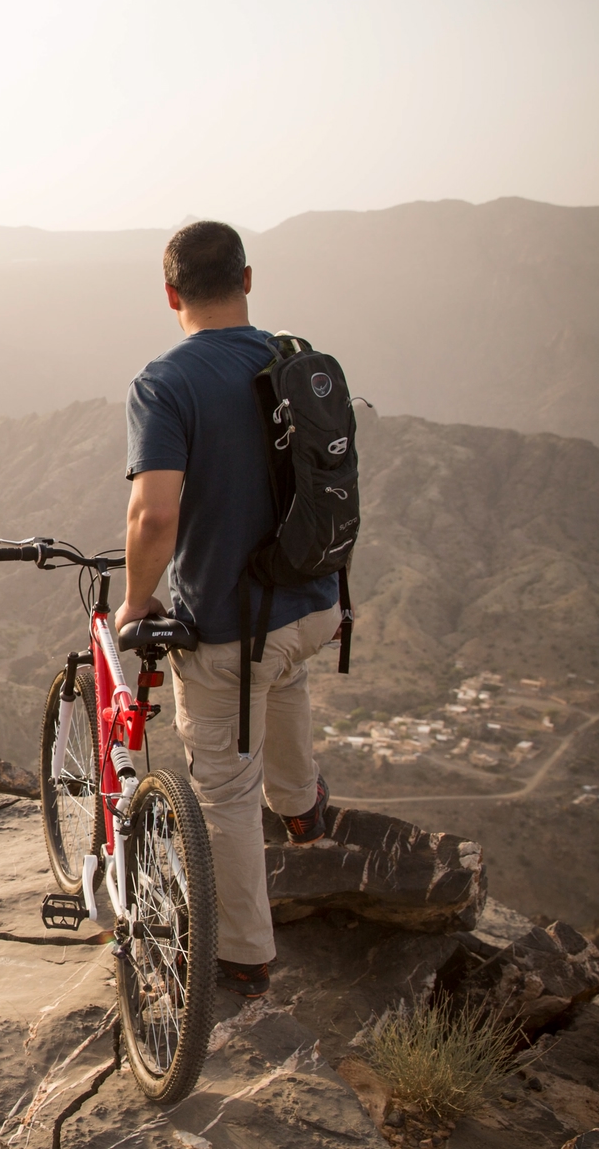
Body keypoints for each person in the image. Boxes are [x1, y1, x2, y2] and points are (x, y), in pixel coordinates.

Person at [113, 220, 341, 999]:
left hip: (231, 627)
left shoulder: (165, 382)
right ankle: (302, 806)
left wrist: (136, 604)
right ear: (249, 279)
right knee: (282, 679)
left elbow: (153, 516)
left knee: (223, 791)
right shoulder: (288, 360)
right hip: (316, 604)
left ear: (170, 294)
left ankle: (243, 954)